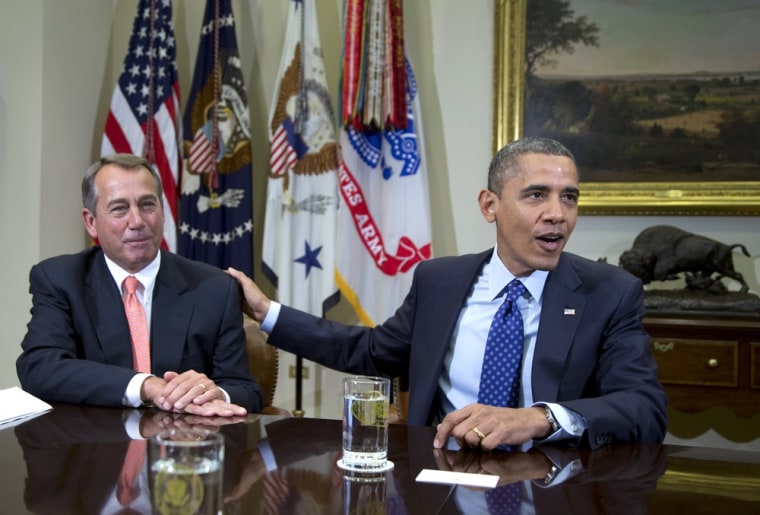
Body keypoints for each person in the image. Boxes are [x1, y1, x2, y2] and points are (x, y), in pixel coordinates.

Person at [227, 137, 668, 450]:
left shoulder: (609, 293)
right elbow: (371, 352)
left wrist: (538, 418)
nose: (558, 214)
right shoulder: (440, 281)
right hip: (438, 475)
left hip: (550, 486)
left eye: (568, 198)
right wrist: (268, 313)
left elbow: (644, 408)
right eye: (537, 195)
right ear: (489, 205)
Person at [17, 154, 261, 416]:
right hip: (96, 446)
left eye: (147, 205)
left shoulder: (214, 287)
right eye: (119, 208)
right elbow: (40, 368)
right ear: (91, 222)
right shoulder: (60, 279)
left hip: (181, 448)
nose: (137, 222)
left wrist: (211, 393)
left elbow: (244, 390)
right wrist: (145, 385)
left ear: (162, 211)